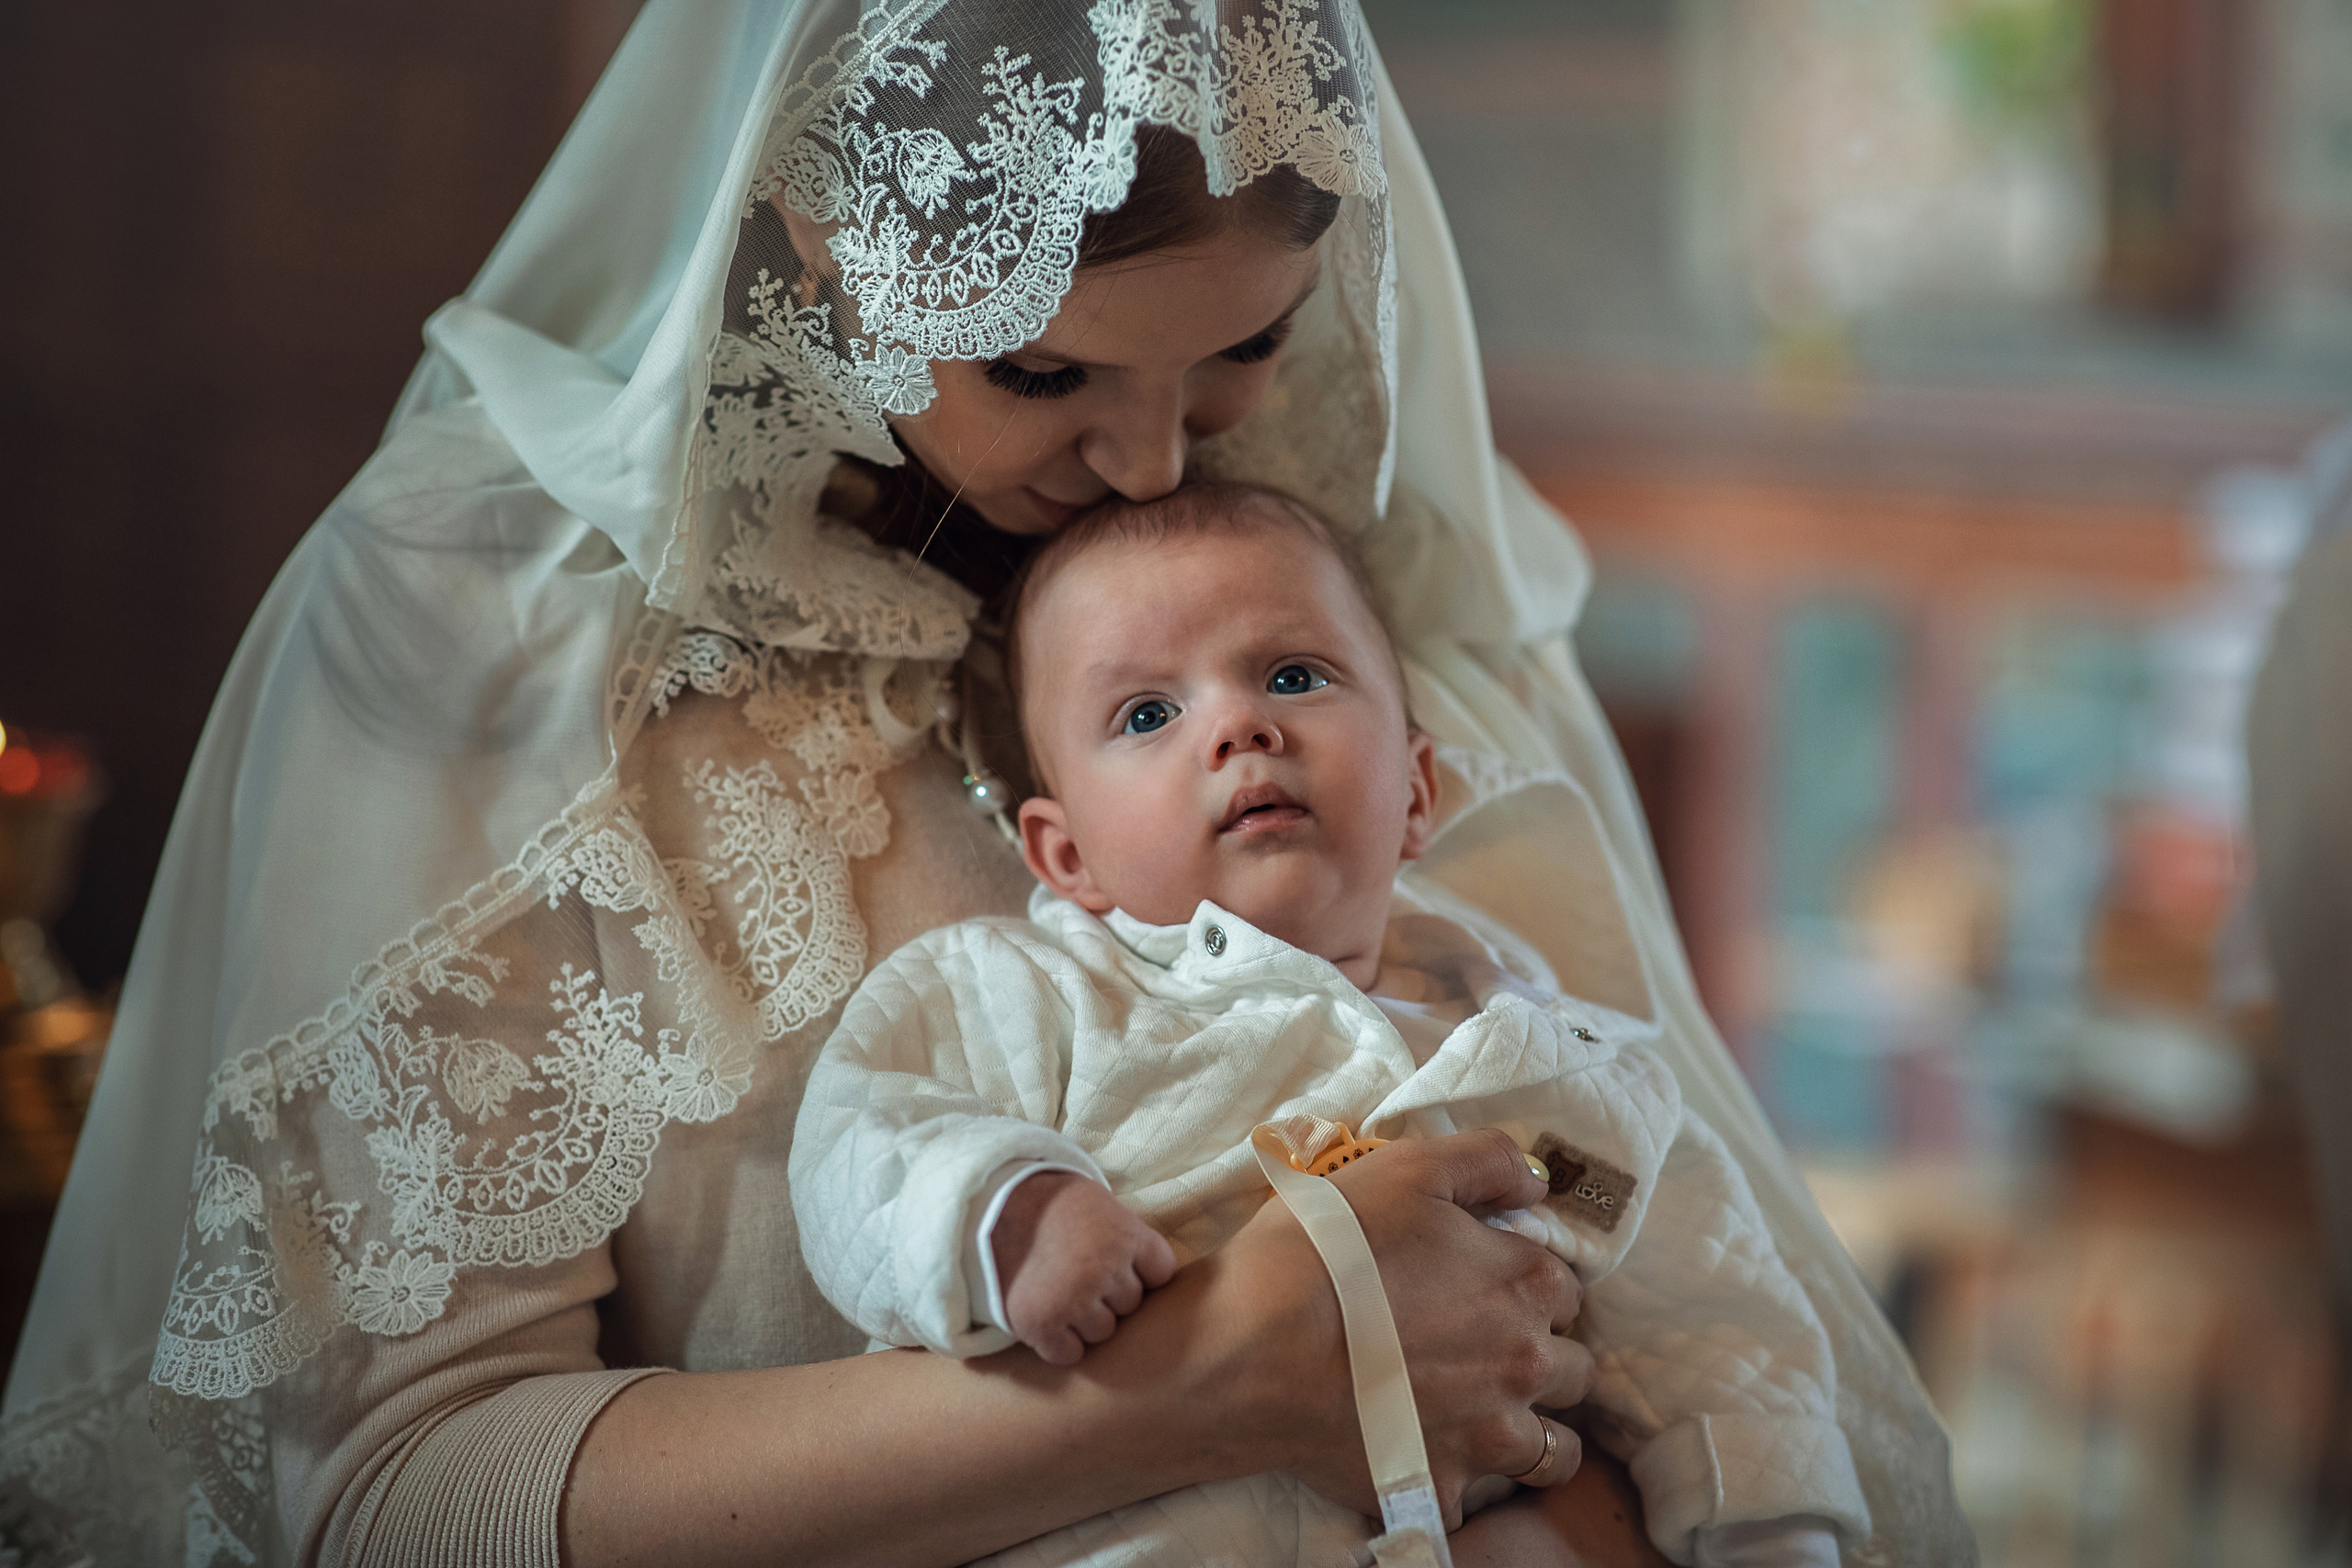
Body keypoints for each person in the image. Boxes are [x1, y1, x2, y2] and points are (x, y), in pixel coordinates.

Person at [0, 4, 1971, 1566]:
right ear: (804, 225)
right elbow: (392, 1499)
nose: (1143, 469)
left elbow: (1653, 1275)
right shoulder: (492, 640)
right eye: (1038, 375)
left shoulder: (1335, 606)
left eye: (1239, 353)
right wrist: (1209, 1382)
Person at [794, 488, 1867, 1568]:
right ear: (1065, 855)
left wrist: (1768, 1519)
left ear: (1413, 789)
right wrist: (1006, 1213)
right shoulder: (1026, 992)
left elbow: (1699, 1289)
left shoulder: (1534, 1082)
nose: (1238, 726)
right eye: (1147, 715)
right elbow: (867, 1127)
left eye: (1294, 677)